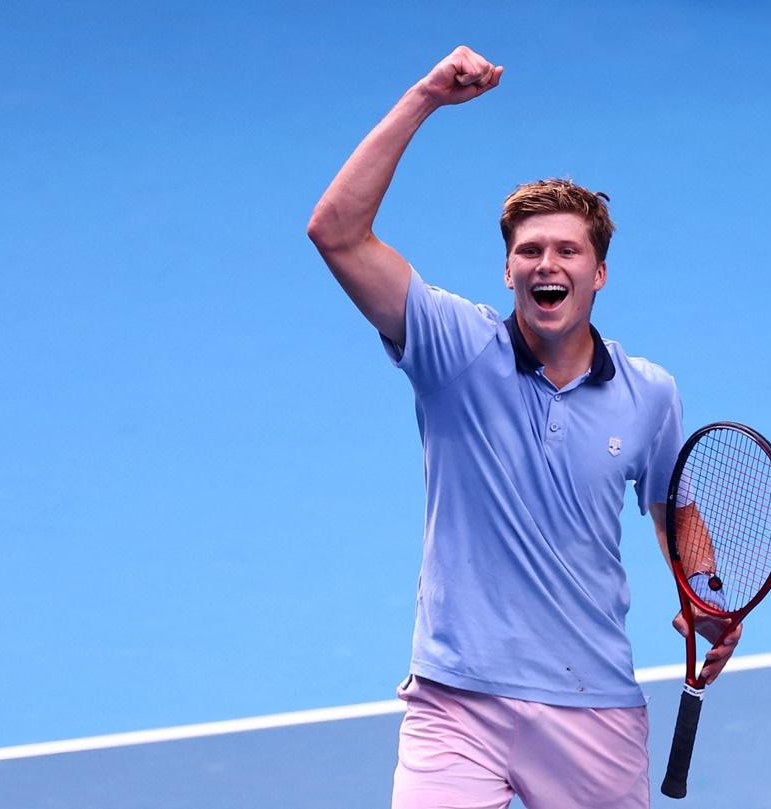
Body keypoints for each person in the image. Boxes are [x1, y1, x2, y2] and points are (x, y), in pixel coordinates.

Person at [307, 46, 741, 809]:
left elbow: (673, 509)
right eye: (529, 250)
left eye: (568, 249)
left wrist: (704, 591)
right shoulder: (450, 348)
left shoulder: (650, 394)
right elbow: (336, 231)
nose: (549, 262)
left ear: (598, 272)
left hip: (591, 705)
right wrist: (424, 98)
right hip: (456, 701)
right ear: (508, 269)